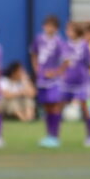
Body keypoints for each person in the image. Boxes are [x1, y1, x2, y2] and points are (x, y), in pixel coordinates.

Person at [30, 15, 68, 148]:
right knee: (46, 106)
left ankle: (55, 136)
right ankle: (48, 135)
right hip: (42, 79)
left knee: (55, 106)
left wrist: (56, 72)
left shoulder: (59, 41)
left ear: (56, 28)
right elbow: (33, 53)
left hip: (55, 81)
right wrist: (36, 69)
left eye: (52, 26)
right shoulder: (39, 39)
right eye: (47, 25)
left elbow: (66, 61)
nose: (48, 28)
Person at [61, 22, 90, 147]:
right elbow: (63, 63)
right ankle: (54, 136)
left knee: (86, 107)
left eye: (70, 30)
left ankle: (89, 136)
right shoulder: (65, 45)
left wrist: (87, 73)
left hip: (82, 82)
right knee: (59, 106)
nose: (68, 32)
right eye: (67, 30)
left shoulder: (84, 46)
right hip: (67, 82)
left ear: (77, 32)